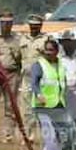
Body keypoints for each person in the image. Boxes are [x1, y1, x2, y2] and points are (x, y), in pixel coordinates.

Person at [30, 38, 70, 150]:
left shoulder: (61, 65)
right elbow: (34, 83)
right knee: (50, 135)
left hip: (58, 104)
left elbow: (62, 83)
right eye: (46, 50)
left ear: (57, 51)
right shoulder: (39, 65)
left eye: (51, 50)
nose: (48, 52)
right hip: (42, 105)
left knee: (61, 135)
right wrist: (39, 95)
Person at [0, 11, 24, 144]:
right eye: (3, 22)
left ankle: (7, 136)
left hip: (12, 74)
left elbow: (21, 58)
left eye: (9, 23)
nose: (6, 25)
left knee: (10, 106)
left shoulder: (18, 39)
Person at [19, 14, 49, 143]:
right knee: (25, 108)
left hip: (40, 79)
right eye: (32, 26)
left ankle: (42, 135)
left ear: (40, 26)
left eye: (37, 26)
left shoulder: (46, 39)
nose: (34, 28)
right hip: (26, 77)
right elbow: (18, 56)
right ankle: (27, 136)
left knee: (39, 108)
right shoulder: (23, 39)